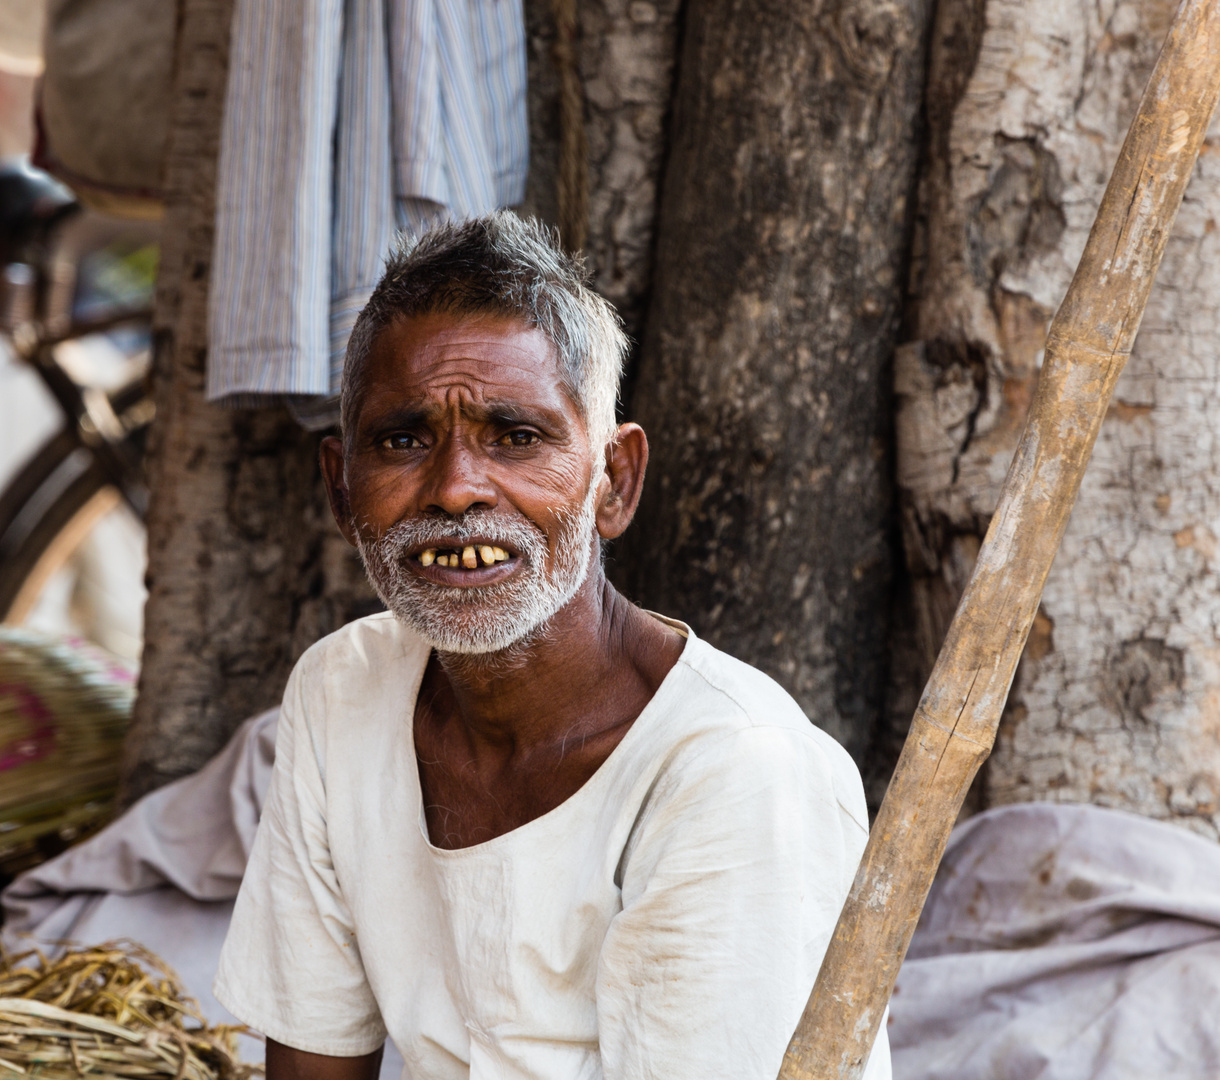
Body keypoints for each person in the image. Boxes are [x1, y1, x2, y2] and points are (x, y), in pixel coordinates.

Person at [213, 211, 888, 1080]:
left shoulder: (732, 770)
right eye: (404, 439)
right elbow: (313, 1059)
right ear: (343, 493)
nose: (456, 489)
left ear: (615, 481)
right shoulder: (344, 689)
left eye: (516, 437)